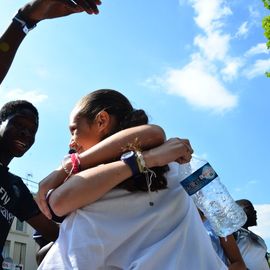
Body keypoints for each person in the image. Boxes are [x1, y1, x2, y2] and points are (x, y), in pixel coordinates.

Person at [36, 89, 228, 270]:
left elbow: (57, 202)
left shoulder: (91, 186)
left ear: (102, 120)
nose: (71, 142)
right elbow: (153, 133)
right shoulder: (169, 162)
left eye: (74, 130)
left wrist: (70, 166)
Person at [234, 199, 269, 270]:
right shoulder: (232, 234)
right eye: (249, 208)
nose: (255, 211)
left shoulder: (258, 238)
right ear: (236, 212)